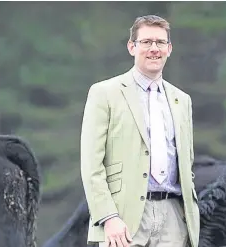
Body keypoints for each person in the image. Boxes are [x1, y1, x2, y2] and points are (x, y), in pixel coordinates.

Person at [80, 15, 199, 247]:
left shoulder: (182, 100)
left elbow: (187, 163)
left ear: (169, 49)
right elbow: (91, 165)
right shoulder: (104, 93)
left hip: (174, 218)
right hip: (124, 219)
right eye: (146, 42)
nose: (154, 49)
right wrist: (109, 217)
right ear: (131, 47)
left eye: (160, 43)